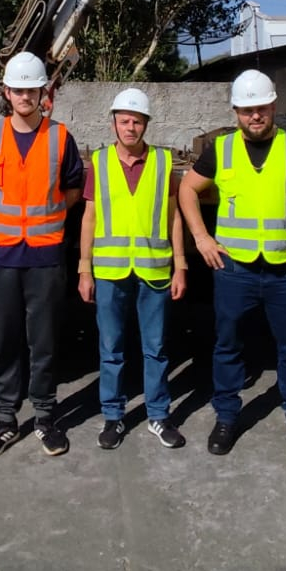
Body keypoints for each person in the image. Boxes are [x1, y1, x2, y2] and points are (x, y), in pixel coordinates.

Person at [178, 69, 286, 461]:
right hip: (235, 270)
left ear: (272, 107)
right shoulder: (221, 149)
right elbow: (187, 189)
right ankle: (227, 417)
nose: (255, 116)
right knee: (228, 346)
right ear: (236, 111)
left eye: (262, 108)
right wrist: (201, 238)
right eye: (247, 110)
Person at [0, 52, 84, 458]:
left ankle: (45, 417)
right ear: (7, 92)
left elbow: (73, 189)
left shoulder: (60, 137)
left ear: (43, 93)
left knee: (43, 342)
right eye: (17, 89)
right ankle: (5, 420)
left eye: (31, 89)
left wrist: (46, 215)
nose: (24, 95)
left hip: (45, 257)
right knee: (5, 343)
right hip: (1, 257)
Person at [77, 88, 186, 450]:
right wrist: (84, 269)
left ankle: (158, 415)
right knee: (111, 349)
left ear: (146, 124)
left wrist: (181, 265)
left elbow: (174, 218)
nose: (130, 127)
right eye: (124, 120)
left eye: (137, 121)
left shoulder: (163, 162)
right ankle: (114, 417)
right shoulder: (101, 162)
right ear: (113, 124)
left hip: (154, 272)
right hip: (110, 274)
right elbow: (89, 218)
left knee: (155, 349)